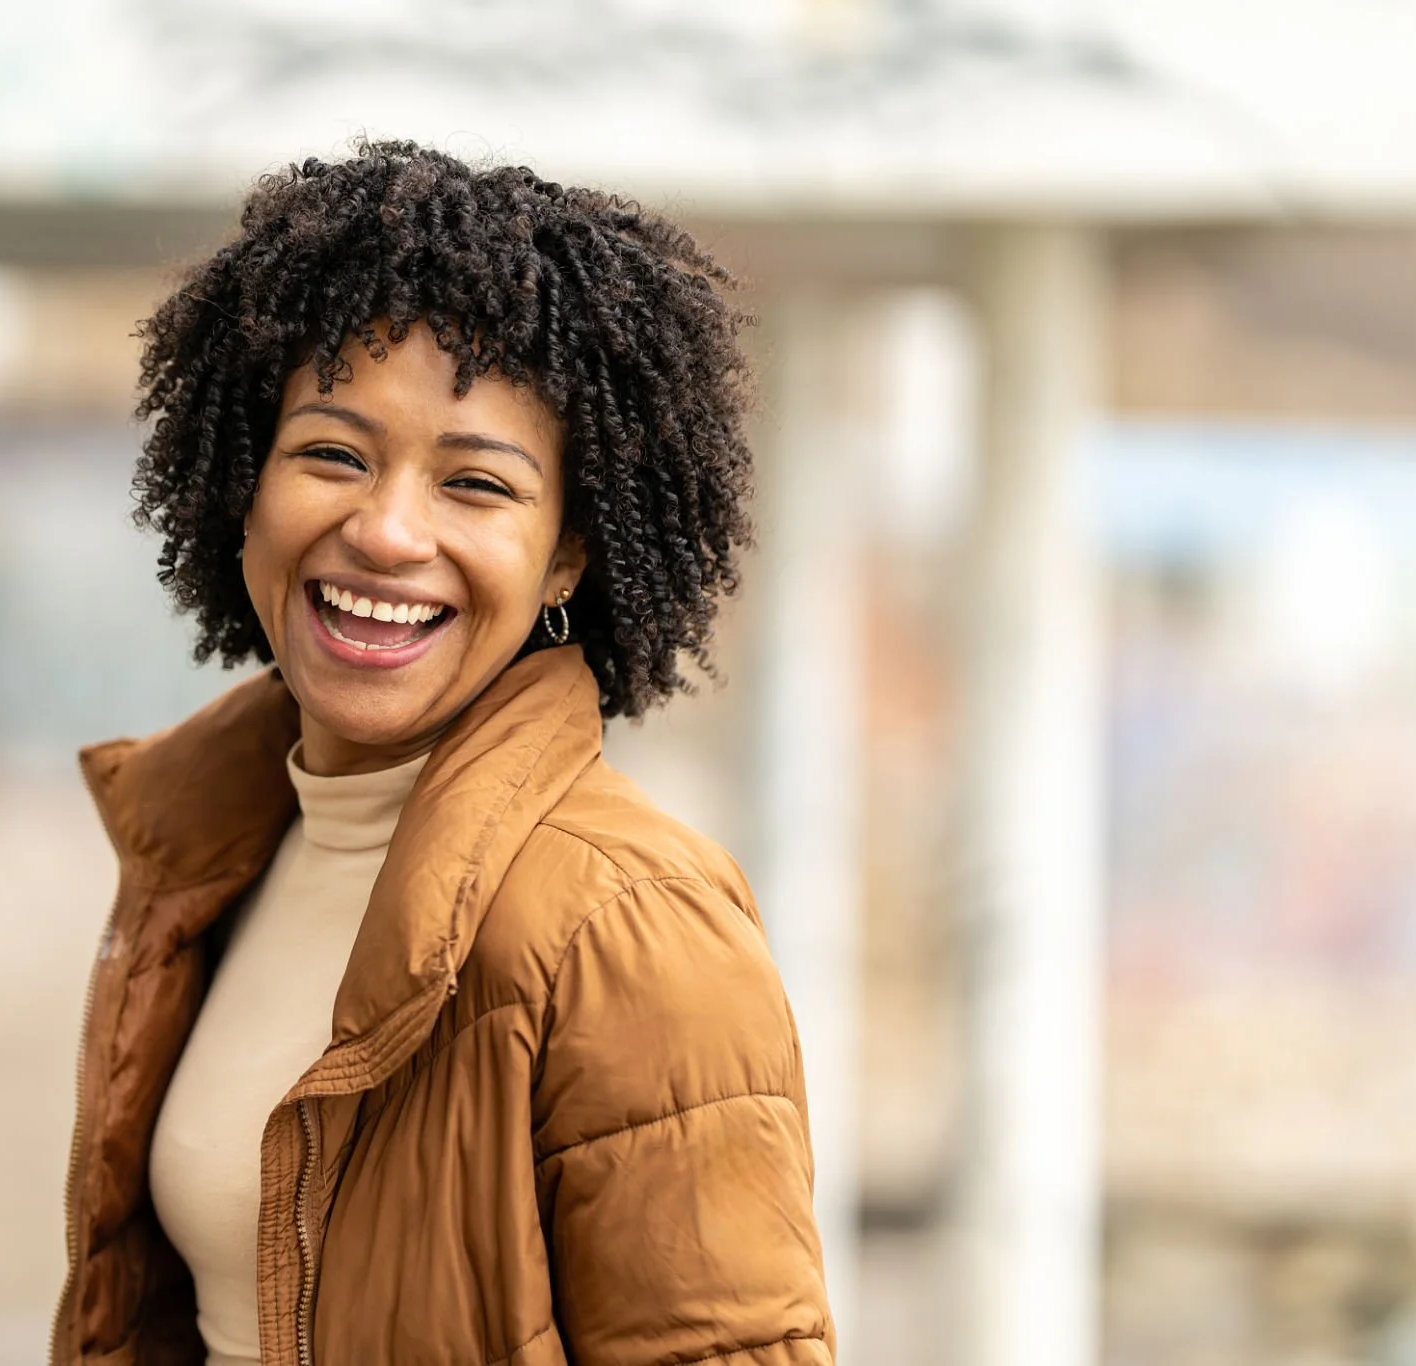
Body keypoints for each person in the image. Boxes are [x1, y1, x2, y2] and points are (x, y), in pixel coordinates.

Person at [51, 141, 834, 1366]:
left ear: (566, 556)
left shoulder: (624, 921)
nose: (385, 530)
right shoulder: (211, 850)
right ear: (241, 488)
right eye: (330, 454)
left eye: (474, 484)